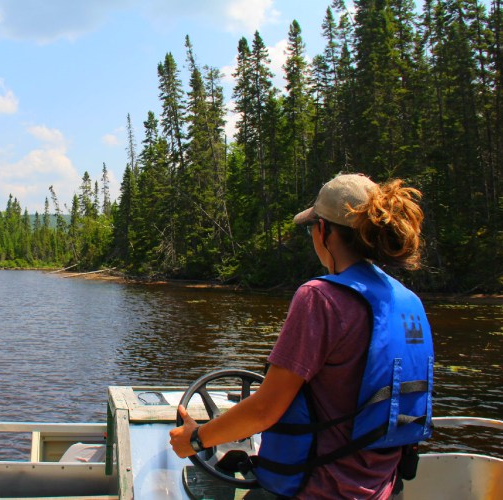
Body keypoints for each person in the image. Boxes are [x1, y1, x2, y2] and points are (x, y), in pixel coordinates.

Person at [169, 173, 434, 499]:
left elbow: (264, 411)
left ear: (324, 230)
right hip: (383, 489)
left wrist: (195, 439)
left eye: (312, 227)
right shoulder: (409, 301)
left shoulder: (320, 298)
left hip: (319, 490)